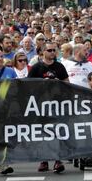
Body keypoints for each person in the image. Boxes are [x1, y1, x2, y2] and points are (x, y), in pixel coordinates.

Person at [28, 41, 69, 173]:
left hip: (57, 104)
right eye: (50, 50)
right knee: (43, 133)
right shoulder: (36, 68)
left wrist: (58, 84)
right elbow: (27, 86)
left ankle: (58, 160)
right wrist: (41, 84)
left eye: (54, 50)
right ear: (43, 52)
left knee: (57, 132)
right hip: (40, 105)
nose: (52, 52)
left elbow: (67, 84)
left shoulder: (60, 67)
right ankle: (44, 160)